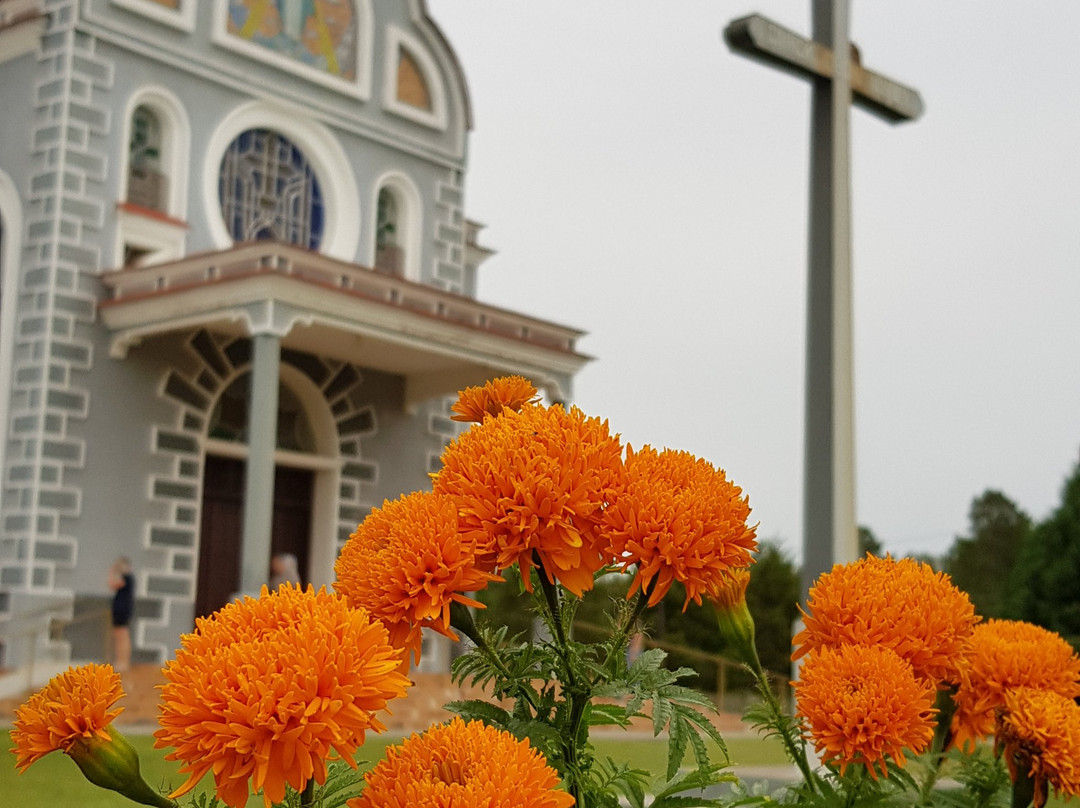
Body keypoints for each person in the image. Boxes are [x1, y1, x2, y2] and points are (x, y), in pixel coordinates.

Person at [108, 557, 134, 672]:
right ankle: (121, 661)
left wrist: (112, 571)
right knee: (119, 636)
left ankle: (123, 662)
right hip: (120, 609)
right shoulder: (127, 578)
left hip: (122, 610)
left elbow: (112, 584)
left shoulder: (127, 578)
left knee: (122, 636)